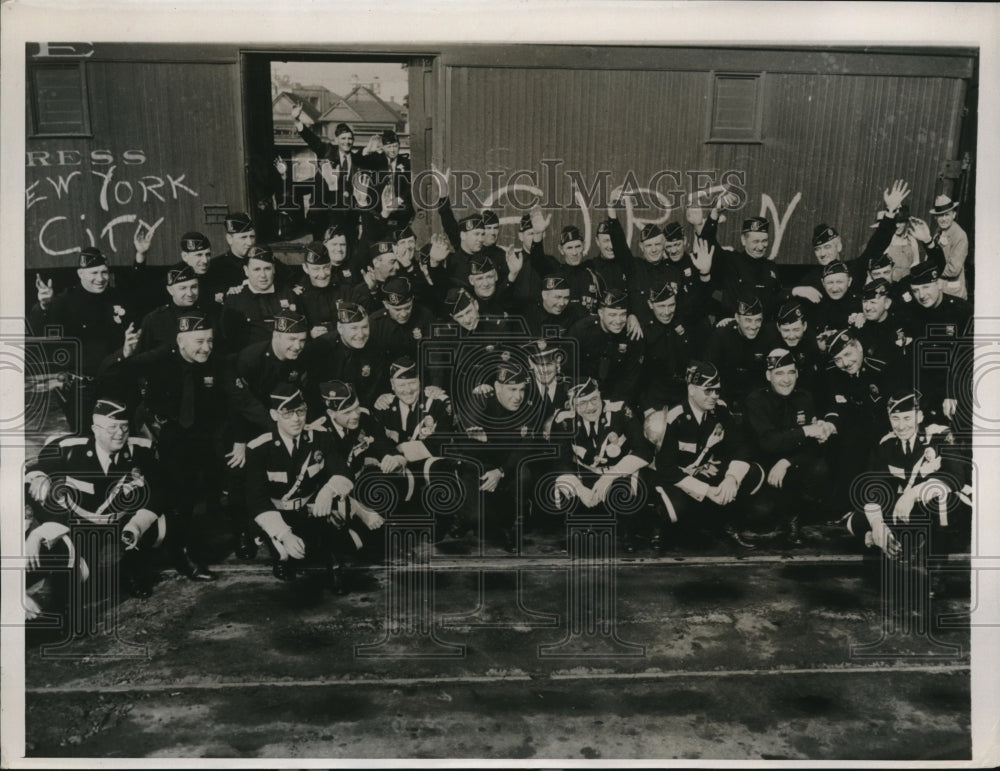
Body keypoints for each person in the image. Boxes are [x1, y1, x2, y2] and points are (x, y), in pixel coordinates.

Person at [101, 309, 226, 581]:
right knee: (155, 493)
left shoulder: (212, 362)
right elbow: (112, 373)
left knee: (190, 494)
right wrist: (125, 352)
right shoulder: (159, 358)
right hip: (154, 436)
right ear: (180, 341)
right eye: (199, 342)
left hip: (191, 437)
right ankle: (140, 559)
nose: (206, 348)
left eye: (210, 341)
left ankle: (181, 548)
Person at [24, 398, 166, 598]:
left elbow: (160, 489)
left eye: (124, 426)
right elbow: (37, 467)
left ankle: (129, 571)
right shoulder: (70, 449)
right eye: (112, 427)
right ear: (95, 430)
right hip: (80, 524)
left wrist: (137, 525)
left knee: (158, 529)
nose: (120, 433)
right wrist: (39, 476)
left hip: (121, 522)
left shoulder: (141, 450)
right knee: (78, 576)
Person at [245, 384, 378, 590]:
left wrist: (328, 491)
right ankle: (277, 547)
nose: (296, 419)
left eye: (300, 411)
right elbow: (256, 499)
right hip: (279, 514)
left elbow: (343, 472)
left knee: (352, 543)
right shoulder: (259, 448)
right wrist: (284, 534)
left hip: (311, 511)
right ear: (274, 415)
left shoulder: (320, 437)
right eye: (287, 413)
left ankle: (334, 565)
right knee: (288, 553)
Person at [643, 361, 765, 551]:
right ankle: (659, 526)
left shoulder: (720, 410)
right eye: (708, 390)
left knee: (752, 473)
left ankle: (725, 522)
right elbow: (666, 469)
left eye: (717, 390)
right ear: (691, 390)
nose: (714, 395)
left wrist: (731, 478)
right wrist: (707, 491)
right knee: (675, 511)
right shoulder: (673, 418)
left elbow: (740, 445)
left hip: (704, 472)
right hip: (676, 479)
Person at [844, 391, 967, 562]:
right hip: (912, 511)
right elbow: (874, 486)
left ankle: (936, 562)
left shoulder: (940, 435)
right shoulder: (886, 444)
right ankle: (888, 539)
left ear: (919, 416)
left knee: (941, 502)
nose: (901, 426)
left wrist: (912, 494)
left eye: (907, 418)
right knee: (856, 520)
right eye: (895, 419)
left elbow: (956, 477)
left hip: (947, 507)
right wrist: (877, 523)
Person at [371, 357, 478, 539]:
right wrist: (393, 456)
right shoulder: (384, 405)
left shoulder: (438, 402)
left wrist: (402, 451)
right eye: (401, 385)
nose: (408, 390)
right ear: (392, 385)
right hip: (401, 468)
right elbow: (378, 440)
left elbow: (442, 440)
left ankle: (443, 518)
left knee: (439, 470)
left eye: (412, 383)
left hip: (430, 466)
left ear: (420, 381)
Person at [29, 247, 133, 432]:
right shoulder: (65, 301)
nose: (100, 278)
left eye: (104, 272)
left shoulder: (116, 296)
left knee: (119, 434)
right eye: (94, 273)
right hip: (82, 389)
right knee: (85, 437)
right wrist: (44, 305)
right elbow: (43, 332)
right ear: (80, 274)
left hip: (117, 384)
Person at [549, 377, 653, 551]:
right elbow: (560, 461)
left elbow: (644, 451)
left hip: (618, 473)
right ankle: (585, 524)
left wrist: (609, 477)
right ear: (572, 406)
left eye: (594, 399)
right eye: (582, 403)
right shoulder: (564, 421)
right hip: (587, 473)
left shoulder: (620, 411)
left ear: (600, 396)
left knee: (627, 493)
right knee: (566, 489)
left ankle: (627, 530)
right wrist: (579, 489)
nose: (590, 407)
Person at [744, 348, 835, 543]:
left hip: (792, 467)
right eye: (779, 373)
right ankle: (781, 514)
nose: (786, 380)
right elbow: (768, 443)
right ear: (768, 375)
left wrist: (787, 461)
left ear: (797, 374)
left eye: (791, 372)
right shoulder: (756, 400)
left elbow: (815, 446)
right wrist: (805, 431)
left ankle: (795, 517)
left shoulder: (805, 398)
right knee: (761, 514)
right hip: (766, 470)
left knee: (819, 469)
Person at [452, 359, 540, 551]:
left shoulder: (529, 406)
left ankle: (511, 525)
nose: (518, 396)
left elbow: (525, 448)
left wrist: (500, 470)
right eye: (512, 389)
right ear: (497, 388)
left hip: (506, 467)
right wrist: (493, 459)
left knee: (524, 474)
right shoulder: (481, 401)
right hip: (478, 467)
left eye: (522, 389)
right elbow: (466, 447)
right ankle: (463, 517)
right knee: (478, 519)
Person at [698, 202, 782, 317]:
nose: (761, 247)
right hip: (733, 325)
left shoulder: (771, 268)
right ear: (743, 240)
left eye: (764, 241)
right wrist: (714, 215)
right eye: (755, 241)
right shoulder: (730, 261)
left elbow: (777, 301)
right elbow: (705, 243)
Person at [566, 286, 645, 408]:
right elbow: (569, 370)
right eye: (612, 315)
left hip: (617, 398)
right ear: (601, 313)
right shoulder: (581, 331)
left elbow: (630, 378)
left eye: (623, 314)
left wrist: (613, 404)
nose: (618, 321)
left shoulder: (632, 334)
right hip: (584, 396)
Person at [306, 301, 388, 410]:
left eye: (364, 327)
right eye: (354, 328)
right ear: (340, 328)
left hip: (362, 408)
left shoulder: (374, 348)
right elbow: (312, 392)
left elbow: (376, 386)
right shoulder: (321, 348)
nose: (361, 334)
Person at [221, 245, 301, 353]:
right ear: (246, 270)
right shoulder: (235, 300)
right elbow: (228, 341)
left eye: (267, 269)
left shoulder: (288, 294)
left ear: (274, 269)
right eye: (256, 269)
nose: (263, 275)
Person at [704, 292, 770, 416]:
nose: (753, 326)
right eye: (748, 320)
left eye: (758, 320)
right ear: (737, 318)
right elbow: (710, 370)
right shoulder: (722, 335)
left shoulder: (767, 336)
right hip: (724, 393)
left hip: (754, 396)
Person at [135, 262, 223, 354]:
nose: (190, 293)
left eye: (194, 287)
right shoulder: (154, 320)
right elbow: (141, 358)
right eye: (183, 288)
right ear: (170, 290)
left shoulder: (211, 314)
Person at [638, 279, 695, 416]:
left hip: (683, 395)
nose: (667, 311)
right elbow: (636, 376)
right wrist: (646, 407)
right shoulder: (643, 332)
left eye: (671, 305)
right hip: (655, 399)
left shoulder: (682, 324)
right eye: (661, 306)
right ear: (650, 304)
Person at [368, 276, 435, 364]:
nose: (404, 314)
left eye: (407, 307)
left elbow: (434, 355)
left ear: (412, 300)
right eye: (397, 310)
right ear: (386, 305)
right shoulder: (376, 323)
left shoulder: (425, 316)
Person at [293, 241, 353, 338]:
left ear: (331, 265)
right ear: (305, 268)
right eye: (316, 269)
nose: (322, 274)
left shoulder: (344, 290)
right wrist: (309, 334)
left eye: (326, 268)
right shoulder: (298, 296)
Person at [206, 212, 257, 304]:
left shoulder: (263, 261)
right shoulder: (214, 267)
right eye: (243, 237)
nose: (249, 243)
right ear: (229, 239)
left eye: (252, 236)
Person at [520, 273, 588, 338]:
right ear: (544, 295)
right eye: (557, 297)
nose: (562, 303)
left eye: (566, 298)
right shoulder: (528, 315)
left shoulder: (572, 314)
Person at [929, 194, 969, 300]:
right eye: (940, 215)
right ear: (935, 217)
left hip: (952, 292)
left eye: (947, 215)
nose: (943, 219)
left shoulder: (960, 235)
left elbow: (953, 269)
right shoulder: (938, 231)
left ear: (954, 215)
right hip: (938, 289)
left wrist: (930, 271)